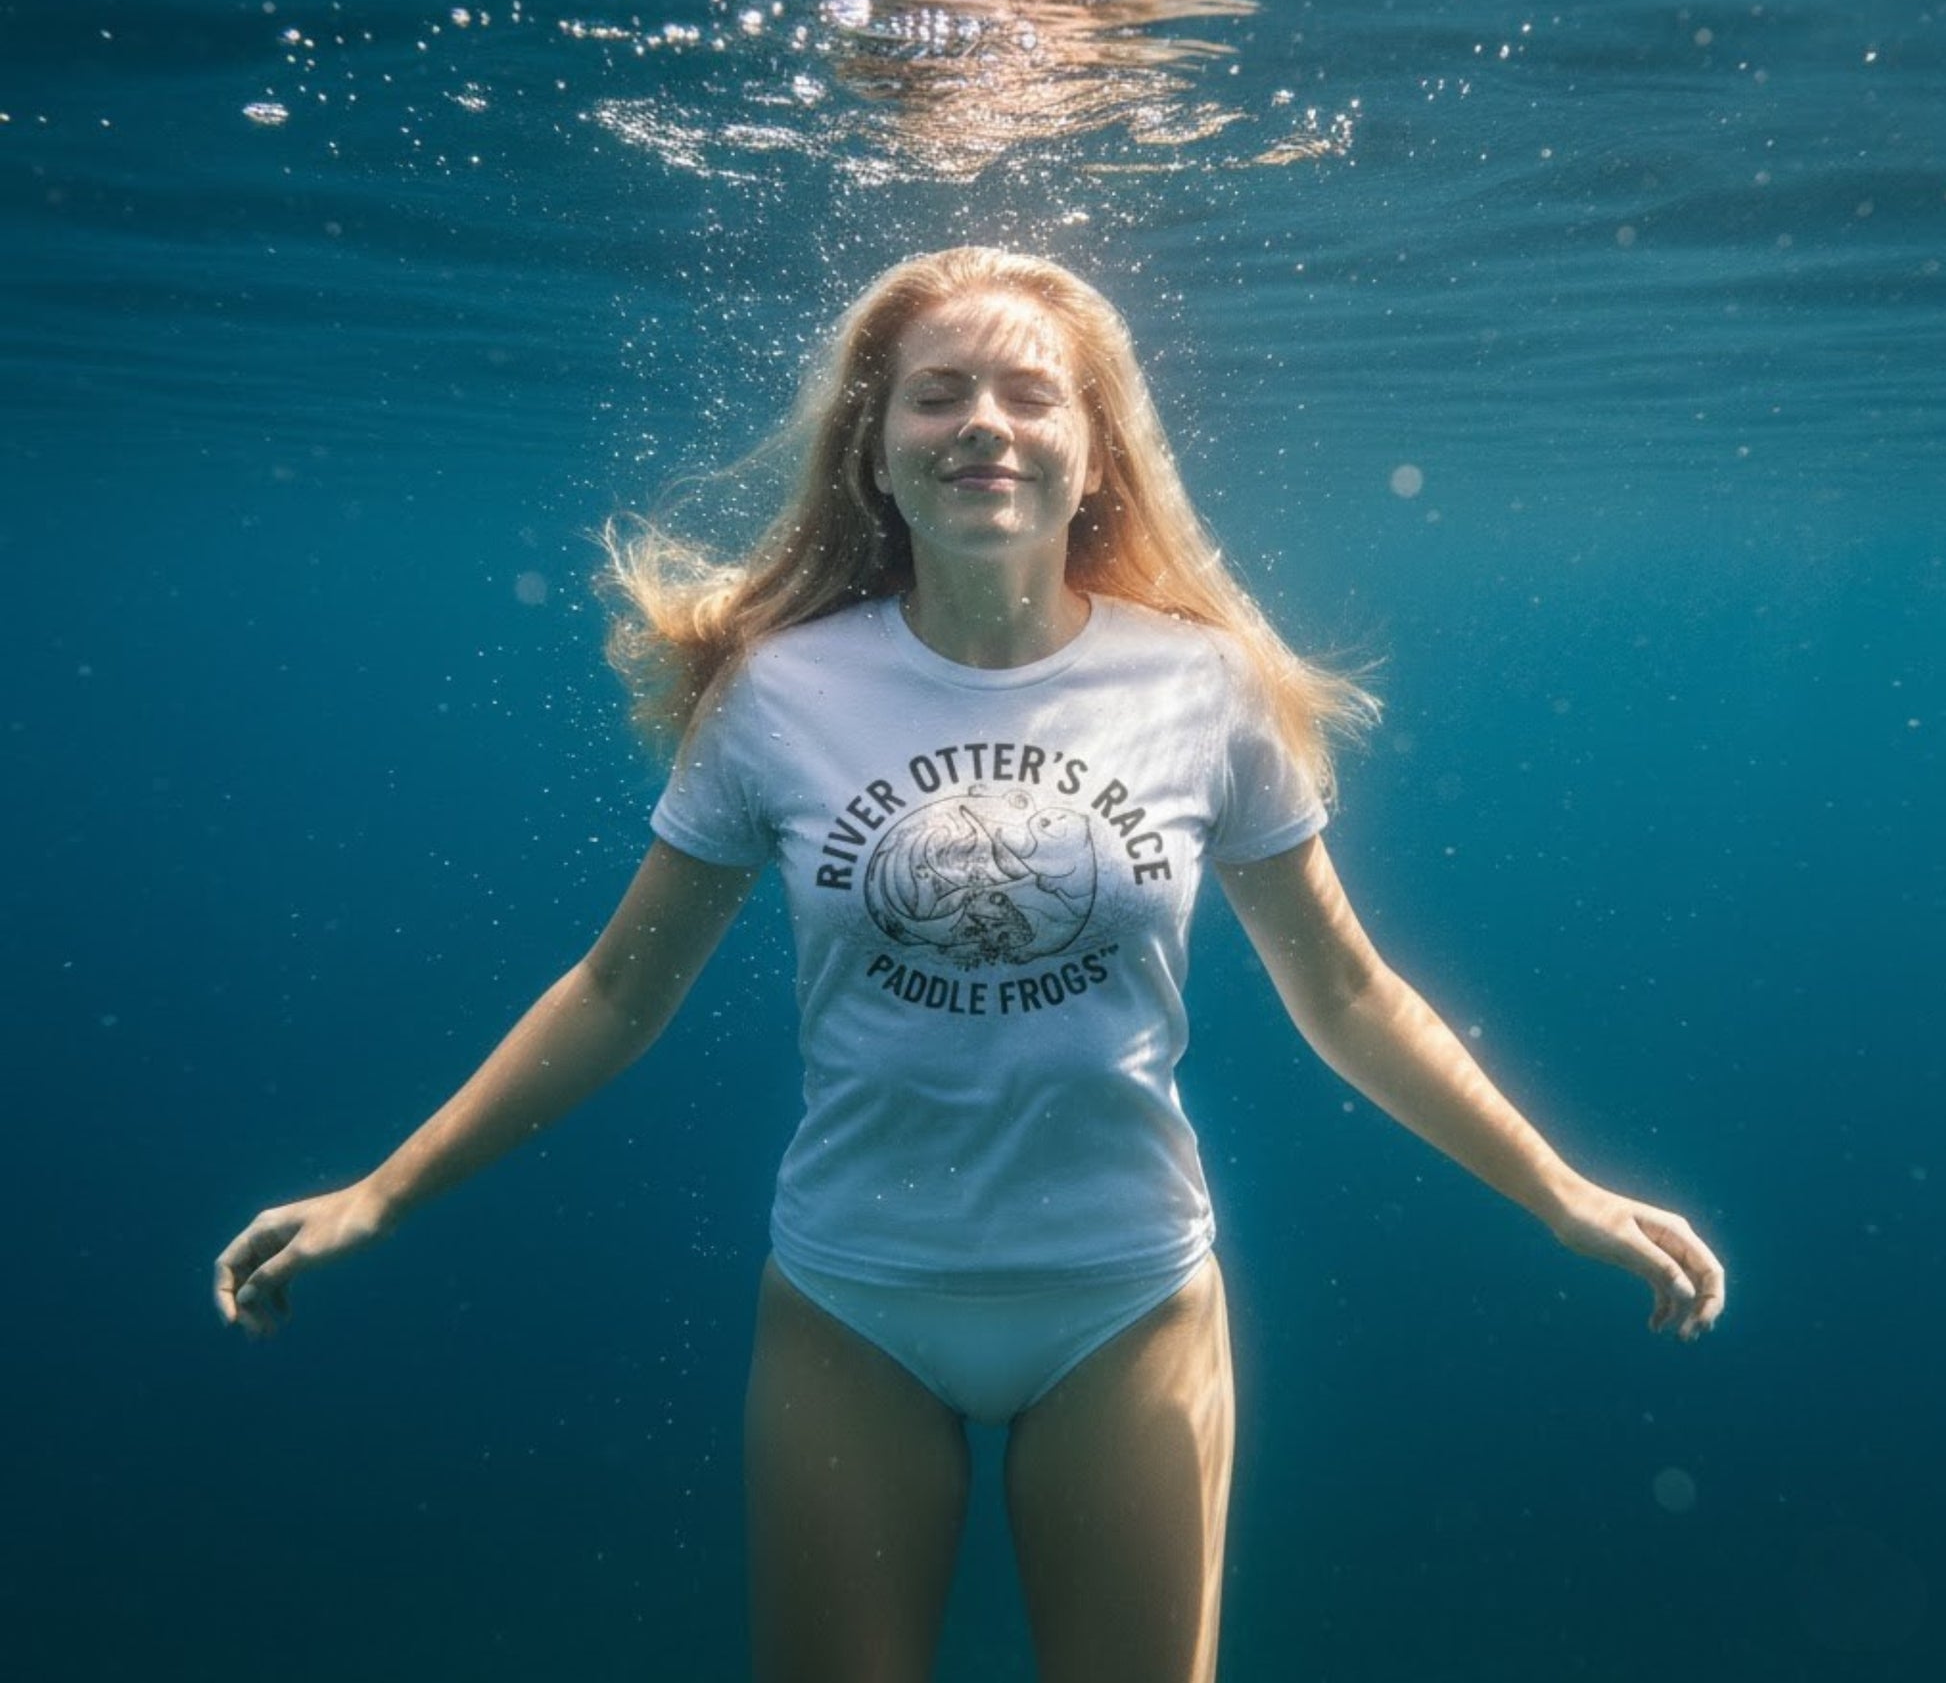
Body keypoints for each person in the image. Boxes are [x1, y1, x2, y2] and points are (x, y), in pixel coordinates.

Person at [215, 246, 1726, 1683]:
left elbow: (1346, 992)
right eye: (936, 393)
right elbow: (618, 990)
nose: (980, 424)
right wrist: (382, 1193)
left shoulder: (1201, 687)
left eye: (1026, 393)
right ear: (873, 447)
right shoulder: (778, 692)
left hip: (1127, 1296)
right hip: (851, 1297)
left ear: (1095, 450)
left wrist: (1562, 1193)